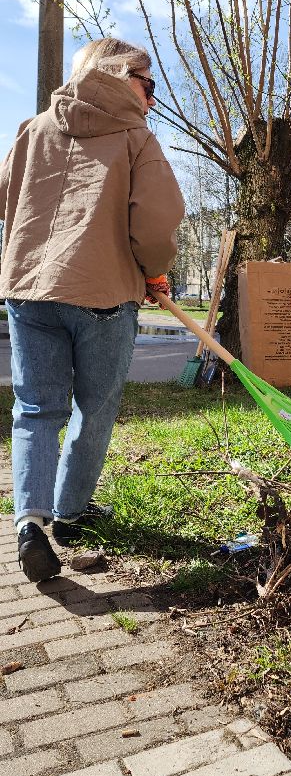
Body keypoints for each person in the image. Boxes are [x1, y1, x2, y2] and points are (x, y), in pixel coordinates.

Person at [0, 37, 184, 583]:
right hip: (102, 296)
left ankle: (29, 520)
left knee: (35, 409)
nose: (151, 98)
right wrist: (153, 271)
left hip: (29, 289)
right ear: (122, 75)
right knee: (94, 407)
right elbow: (155, 220)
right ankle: (71, 513)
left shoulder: (34, 130)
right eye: (148, 85)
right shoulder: (135, 137)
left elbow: (5, 194)